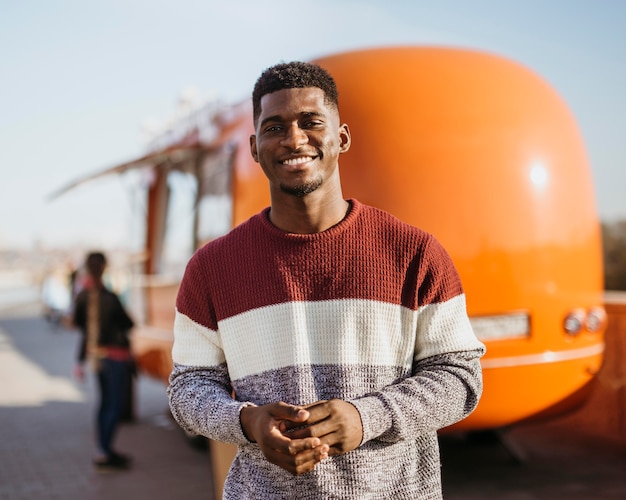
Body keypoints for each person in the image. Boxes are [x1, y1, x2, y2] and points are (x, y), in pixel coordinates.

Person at [167, 61, 486, 499]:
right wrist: (249, 422)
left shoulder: (415, 253)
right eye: (275, 127)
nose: (294, 139)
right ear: (255, 148)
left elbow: (462, 377)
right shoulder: (211, 268)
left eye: (311, 122)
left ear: (342, 137)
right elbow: (188, 388)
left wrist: (366, 417)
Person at [72, 251, 134, 471]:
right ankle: (105, 452)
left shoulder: (82, 297)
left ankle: (102, 450)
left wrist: (79, 361)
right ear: (104, 268)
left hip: (96, 358)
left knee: (103, 404)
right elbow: (129, 323)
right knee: (114, 405)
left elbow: (83, 330)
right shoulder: (110, 297)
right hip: (115, 359)